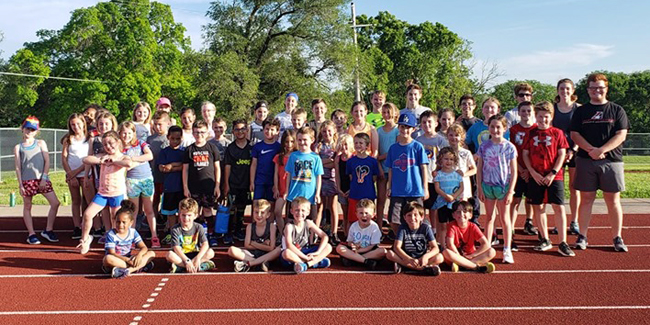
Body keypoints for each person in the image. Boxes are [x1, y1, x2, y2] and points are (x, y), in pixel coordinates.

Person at [570, 73, 629, 252]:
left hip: (612, 161)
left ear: (606, 88)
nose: (597, 90)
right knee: (586, 199)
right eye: (593, 87)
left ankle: (617, 237)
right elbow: (574, 134)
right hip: (586, 160)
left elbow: (621, 134)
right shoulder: (581, 111)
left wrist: (602, 150)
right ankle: (583, 236)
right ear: (588, 90)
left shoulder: (617, 110)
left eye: (600, 87)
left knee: (613, 200)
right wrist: (591, 150)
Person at [523, 101, 575, 257]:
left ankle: (563, 242)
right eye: (539, 116)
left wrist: (552, 173)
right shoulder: (530, 133)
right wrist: (533, 172)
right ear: (535, 116)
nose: (542, 120)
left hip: (554, 176)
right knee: (538, 207)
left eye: (546, 117)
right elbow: (525, 154)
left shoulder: (558, 133)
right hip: (536, 176)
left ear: (551, 116)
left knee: (558, 207)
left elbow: (561, 154)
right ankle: (544, 238)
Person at [78, 131, 132, 254]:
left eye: (111, 143)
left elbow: (128, 163)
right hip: (102, 194)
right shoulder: (102, 156)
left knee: (115, 220)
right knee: (87, 215)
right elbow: (86, 159)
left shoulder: (122, 157)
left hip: (117, 194)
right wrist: (101, 160)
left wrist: (114, 160)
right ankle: (85, 239)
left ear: (118, 142)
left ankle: (116, 244)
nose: (108, 146)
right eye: (105, 144)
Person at [14, 116, 60, 244]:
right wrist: (20, 185)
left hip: (41, 179)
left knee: (55, 203)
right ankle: (31, 233)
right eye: (27, 129)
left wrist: (44, 178)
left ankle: (48, 230)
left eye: (32, 130)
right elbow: (18, 167)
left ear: (36, 132)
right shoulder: (18, 147)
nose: (29, 132)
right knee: (28, 206)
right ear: (22, 129)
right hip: (27, 181)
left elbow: (47, 161)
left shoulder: (41, 143)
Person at [477, 115, 516, 264]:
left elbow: (514, 171)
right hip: (487, 186)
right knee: (489, 218)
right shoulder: (484, 146)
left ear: (504, 128)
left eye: (498, 127)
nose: (495, 130)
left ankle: (507, 248)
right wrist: (479, 187)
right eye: (492, 127)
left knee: (504, 218)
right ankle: (486, 248)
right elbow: (479, 168)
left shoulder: (509, 147)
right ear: (489, 128)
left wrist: (511, 191)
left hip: (503, 186)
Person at [386, 111, 429, 238]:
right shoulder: (393, 148)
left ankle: (415, 241)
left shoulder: (418, 147)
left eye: (408, 127)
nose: (405, 130)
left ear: (413, 129)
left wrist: (425, 188)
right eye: (402, 126)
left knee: (417, 219)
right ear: (398, 127)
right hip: (398, 190)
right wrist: (389, 187)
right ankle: (402, 240)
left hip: (414, 190)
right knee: (393, 219)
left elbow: (423, 168)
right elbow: (391, 169)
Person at [118, 121, 159, 248]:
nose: (126, 135)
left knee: (149, 210)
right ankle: (131, 239)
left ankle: (154, 236)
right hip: (132, 181)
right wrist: (129, 162)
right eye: (124, 133)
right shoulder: (120, 149)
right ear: (120, 133)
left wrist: (133, 159)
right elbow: (125, 165)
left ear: (134, 133)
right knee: (133, 212)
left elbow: (149, 155)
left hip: (146, 179)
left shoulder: (140, 143)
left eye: (129, 133)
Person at [182, 120, 221, 245]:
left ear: (207, 133)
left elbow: (217, 168)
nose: (200, 135)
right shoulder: (189, 149)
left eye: (202, 132)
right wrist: (185, 187)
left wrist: (217, 186)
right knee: (194, 212)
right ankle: (196, 235)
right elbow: (185, 170)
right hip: (194, 187)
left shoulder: (212, 148)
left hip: (208, 186)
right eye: (197, 132)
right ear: (193, 133)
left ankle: (210, 233)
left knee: (208, 210)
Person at [553, 78, 581, 235]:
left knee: (574, 188)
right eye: (562, 88)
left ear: (573, 90)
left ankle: (574, 221)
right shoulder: (553, 109)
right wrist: (561, 151)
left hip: (575, 152)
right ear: (558, 90)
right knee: (559, 189)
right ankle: (560, 221)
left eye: (567, 88)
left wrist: (573, 149)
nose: (565, 91)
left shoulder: (579, 109)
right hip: (556, 154)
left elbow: (582, 132)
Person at [85, 112, 119, 242]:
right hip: (99, 175)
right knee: (103, 206)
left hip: (115, 177)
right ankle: (107, 231)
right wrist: (87, 175)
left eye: (106, 124)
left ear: (112, 124)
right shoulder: (94, 139)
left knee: (115, 208)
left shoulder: (116, 139)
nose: (103, 126)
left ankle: (116, 232)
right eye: (101, 124)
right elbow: (89, 156)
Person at [508, 101, 538, 247]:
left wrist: (530, 170)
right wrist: (521, 169)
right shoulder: (513, 130)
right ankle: (511, 230)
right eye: (523, 111)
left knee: (532, 200)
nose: (526, 114)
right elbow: (511, 152)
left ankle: (529, 222)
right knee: (515, 201)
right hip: (517, 170)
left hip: (533, 171)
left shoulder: (537, 129)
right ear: (518, 113)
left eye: (529, 111)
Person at [386, 201, 443, 275]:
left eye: (415, 215)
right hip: (407, 258)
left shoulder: (426, 228)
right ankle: (422, 269)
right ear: (404, 217)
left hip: (421, 258)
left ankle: (405, 266)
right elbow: (397, 247)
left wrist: (426, 256)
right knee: (389, 254)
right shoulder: (402, 228)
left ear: (421, 217)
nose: (412, 218)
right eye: (409, 215)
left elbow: (435, 248)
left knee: (440, 257)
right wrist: (409, 259)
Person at [103, 200, 155, 278]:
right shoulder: (111, 234)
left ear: (131, 223)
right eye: (118, 222)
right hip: (118, 259)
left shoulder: (133, 232)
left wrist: (139, 255)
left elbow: (144, 247)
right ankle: (140, 267)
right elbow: (112, 253)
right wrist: (127, 260)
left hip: (129, 258)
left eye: (124, 222)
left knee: (152, 254)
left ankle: (128, 270)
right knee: (107, 259)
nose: (120, 225)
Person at [280, 197, 332, 274]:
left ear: (308, 212)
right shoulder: (289, 226)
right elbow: (289, 245)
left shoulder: (308, 223)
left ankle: (306, 265)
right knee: (286, 253)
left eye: (303, 210)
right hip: (293, 255)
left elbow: (324, 236)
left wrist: (318, 252)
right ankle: (315, 263)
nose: (300, 213)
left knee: (328, 246)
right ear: (291, 211)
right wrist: (306, 258)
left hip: (305, 251)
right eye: (297, 210)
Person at [61, 113, 92, 240]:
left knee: (87, 200)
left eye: (78, 123)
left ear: (83, 123)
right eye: (73, 124)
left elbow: (88, 158)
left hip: (85, 173)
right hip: (72, 175)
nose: (76, 126)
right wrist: (70, 175)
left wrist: (77, 172)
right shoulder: (68, 139)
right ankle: (76, 227)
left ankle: (87, 225)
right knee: (76, 201)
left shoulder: (89, 138)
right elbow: (64, 158)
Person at [442, 201, 496, 273]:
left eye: (465, 211)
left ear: (470, 215)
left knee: (492, 251)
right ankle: (475, 266)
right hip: (456, 256)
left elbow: (486, 244)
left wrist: (473, 255)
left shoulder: (473, 226)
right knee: (446, 252)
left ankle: (465, 265)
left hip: (470, 256)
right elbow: (450, 244)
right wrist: (459, 257)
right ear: (453, 215)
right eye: (458, 212)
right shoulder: (452, 226)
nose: (461, 214)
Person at [228, 199, 281, 272]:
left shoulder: (272, 227)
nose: (259, 215)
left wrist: (253, 243)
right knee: (231, 250)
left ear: (268, 215)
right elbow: (247, 245)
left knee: (278, 250)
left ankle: (250, 263)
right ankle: (257, 263)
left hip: (266, 255)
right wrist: (264, 245)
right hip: (252, 254)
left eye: (262, 213)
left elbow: (271, 248)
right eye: (256, 212)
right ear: (253, 213)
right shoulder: (250, 226)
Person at [415, 110, 448, 226]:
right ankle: (422, 226)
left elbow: (446, 158)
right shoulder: (418, 141)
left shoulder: (441, 141)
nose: (427, 125)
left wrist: (438, 170)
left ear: (436, 123)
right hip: (422, 177)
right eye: (424, 122)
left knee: (434, 206)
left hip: (435, 178)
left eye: (429, 122)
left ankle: (433, 230)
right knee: (421, 205)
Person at [284, 127, 324, 222]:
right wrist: (286, 191)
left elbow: (318, 176)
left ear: (312, 140)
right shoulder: (293, 156)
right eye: (300, 140)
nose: (302, 142)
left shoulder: (315, 157)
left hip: (309, 195)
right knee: (291, 220)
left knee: (309, 221)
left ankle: (311, 237)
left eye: (305, 140)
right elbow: (289, 175)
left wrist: (317, 193)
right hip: (294, 194)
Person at [166, 198, 216, 273]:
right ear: (179, 214)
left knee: (211, 252)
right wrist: (186, 261)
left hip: (195, 254)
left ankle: (181, 267)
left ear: (195, 215)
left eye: (189, 215)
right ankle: (199, 266)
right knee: (169, 255)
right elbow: (176, 248)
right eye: (183, 215)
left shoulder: (199, 227)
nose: (186, 218)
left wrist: (198, 258)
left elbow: (205, 244)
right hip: (181, 256)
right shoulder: (175, 229)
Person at [223, 119, 252, 244]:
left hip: (245, 184)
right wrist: (226, 184)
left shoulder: (251, 147)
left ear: (247, 130)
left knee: (241, 208)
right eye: (237, 129)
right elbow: (227, 167)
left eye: (242, 129)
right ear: (233, 131)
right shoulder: (230, 148)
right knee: (231, 208)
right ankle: (228, 232)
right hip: (233, 183)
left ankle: (239, 230)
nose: (240, 132)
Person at [336, 199, 386, 270]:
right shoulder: (353, 226)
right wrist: (352, 245)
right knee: (339, 248)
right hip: (355, 250)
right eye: (361, 213)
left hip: (367, 251)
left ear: (373, 215)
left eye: (366, 213)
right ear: (356, 214)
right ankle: (365, 261)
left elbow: (372, 245)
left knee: (382, 251)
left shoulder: (374, 227)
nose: (364, 216)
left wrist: (359, 251)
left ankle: (354, 260)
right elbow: (349, 241)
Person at [346, 133, 381, 233]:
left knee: (368, 218)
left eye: (361, 143)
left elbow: (374, 178)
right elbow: (351, 177)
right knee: (353, 219)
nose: (358, 145)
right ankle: (352, 239)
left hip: (368, 194)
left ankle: (370, 239)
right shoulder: (351, 161)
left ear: (367, 145)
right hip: (355, 194)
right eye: (356, 143)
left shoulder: (372, 161)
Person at [432, 147, 464, 247]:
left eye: (451, 159)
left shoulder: (457, 175)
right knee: (443, 226)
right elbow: (437, 188)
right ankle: (442, 245)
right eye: (446, 159)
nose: (448, 162)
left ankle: (454, 244)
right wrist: (446, 196)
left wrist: (453, 197)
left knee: (454, 225)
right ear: (440, 160)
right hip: (442, 203)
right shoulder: (438, 175)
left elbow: (461, 188)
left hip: (454, 204)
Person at [158, 126, 185, 245]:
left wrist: (172, 165)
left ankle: (183, 234)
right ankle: (172, 233)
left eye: (178, 138)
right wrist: (174, 167)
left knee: (183, 212)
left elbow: (185, 166)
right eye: (172, 138)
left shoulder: (184, 152)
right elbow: (162, 168)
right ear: (168, 137)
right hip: (169, 187)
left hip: (182, 187)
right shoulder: (164, 152)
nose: (175, 141)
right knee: (170, 213)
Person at [315, 120, 339, 242]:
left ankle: (334, 233)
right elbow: (315, 162)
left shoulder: (336, 145)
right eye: (324, 131)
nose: (327, 133)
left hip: (333, 179)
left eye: (329, 131)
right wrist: (328, 161)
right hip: (321, 179)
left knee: (333, 207)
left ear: (334, 131)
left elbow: (336, 163)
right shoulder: (318, 146)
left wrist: (323, 162)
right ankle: (315, 234)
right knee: (320, 207)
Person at [376, 102, 399, 230]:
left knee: (394, 200)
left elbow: (394, 151)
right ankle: (378, 227)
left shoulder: (397, 130)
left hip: (394, 170)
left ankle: (392, 228)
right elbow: (377, 149)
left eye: (389, 112)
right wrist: (378, 164)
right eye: (384, 112)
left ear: (394, 113)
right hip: (381, 169)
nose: (386, 115)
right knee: (381, 199)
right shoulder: (379, 130)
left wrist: (379, 157)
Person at [147, 111, 170, 226]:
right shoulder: (150, 139)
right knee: (154, 200)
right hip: (153, 175)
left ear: (167, 123)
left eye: (160, 124)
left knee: (168, 201)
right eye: (155, 124)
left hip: (168, 176)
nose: (157, 127)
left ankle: (167, 223)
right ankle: (154, 222)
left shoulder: (171, 138)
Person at [251, 118, 281, 205]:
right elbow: (253, 165)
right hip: (259, 181)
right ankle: (255, 219)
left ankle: (271, 219)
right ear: (263, 129)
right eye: (267, 129)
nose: (269, 132)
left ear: (277, 131)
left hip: (272, 182)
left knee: (270, 206)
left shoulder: (279, 147)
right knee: (256, 205)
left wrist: (277, 185)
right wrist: (252, 182)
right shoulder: (257, 147)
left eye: (272, 129)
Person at [273, 130, 297, 235]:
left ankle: (289, 235)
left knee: (290, 215)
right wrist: (276, 187)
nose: (289, 145)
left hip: (293, 189)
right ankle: (282, 232)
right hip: (281, 188)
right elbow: (276, 173)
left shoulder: (297, 156)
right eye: (287, 142)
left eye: (292, 142)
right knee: (277, 211)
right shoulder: (279, 157)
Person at [334, 134, 354, 236]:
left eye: (346, 145)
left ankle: (351, 236)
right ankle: (346, 235)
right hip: (342, 189)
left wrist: (351, 189)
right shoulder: (338, 158)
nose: (344, 147)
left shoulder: (353, 157)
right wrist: (338, 188)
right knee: (345, 214)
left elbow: (353, 176)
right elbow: (337, 174)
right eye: (342, 145)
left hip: (352, 190)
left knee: (352, 215)